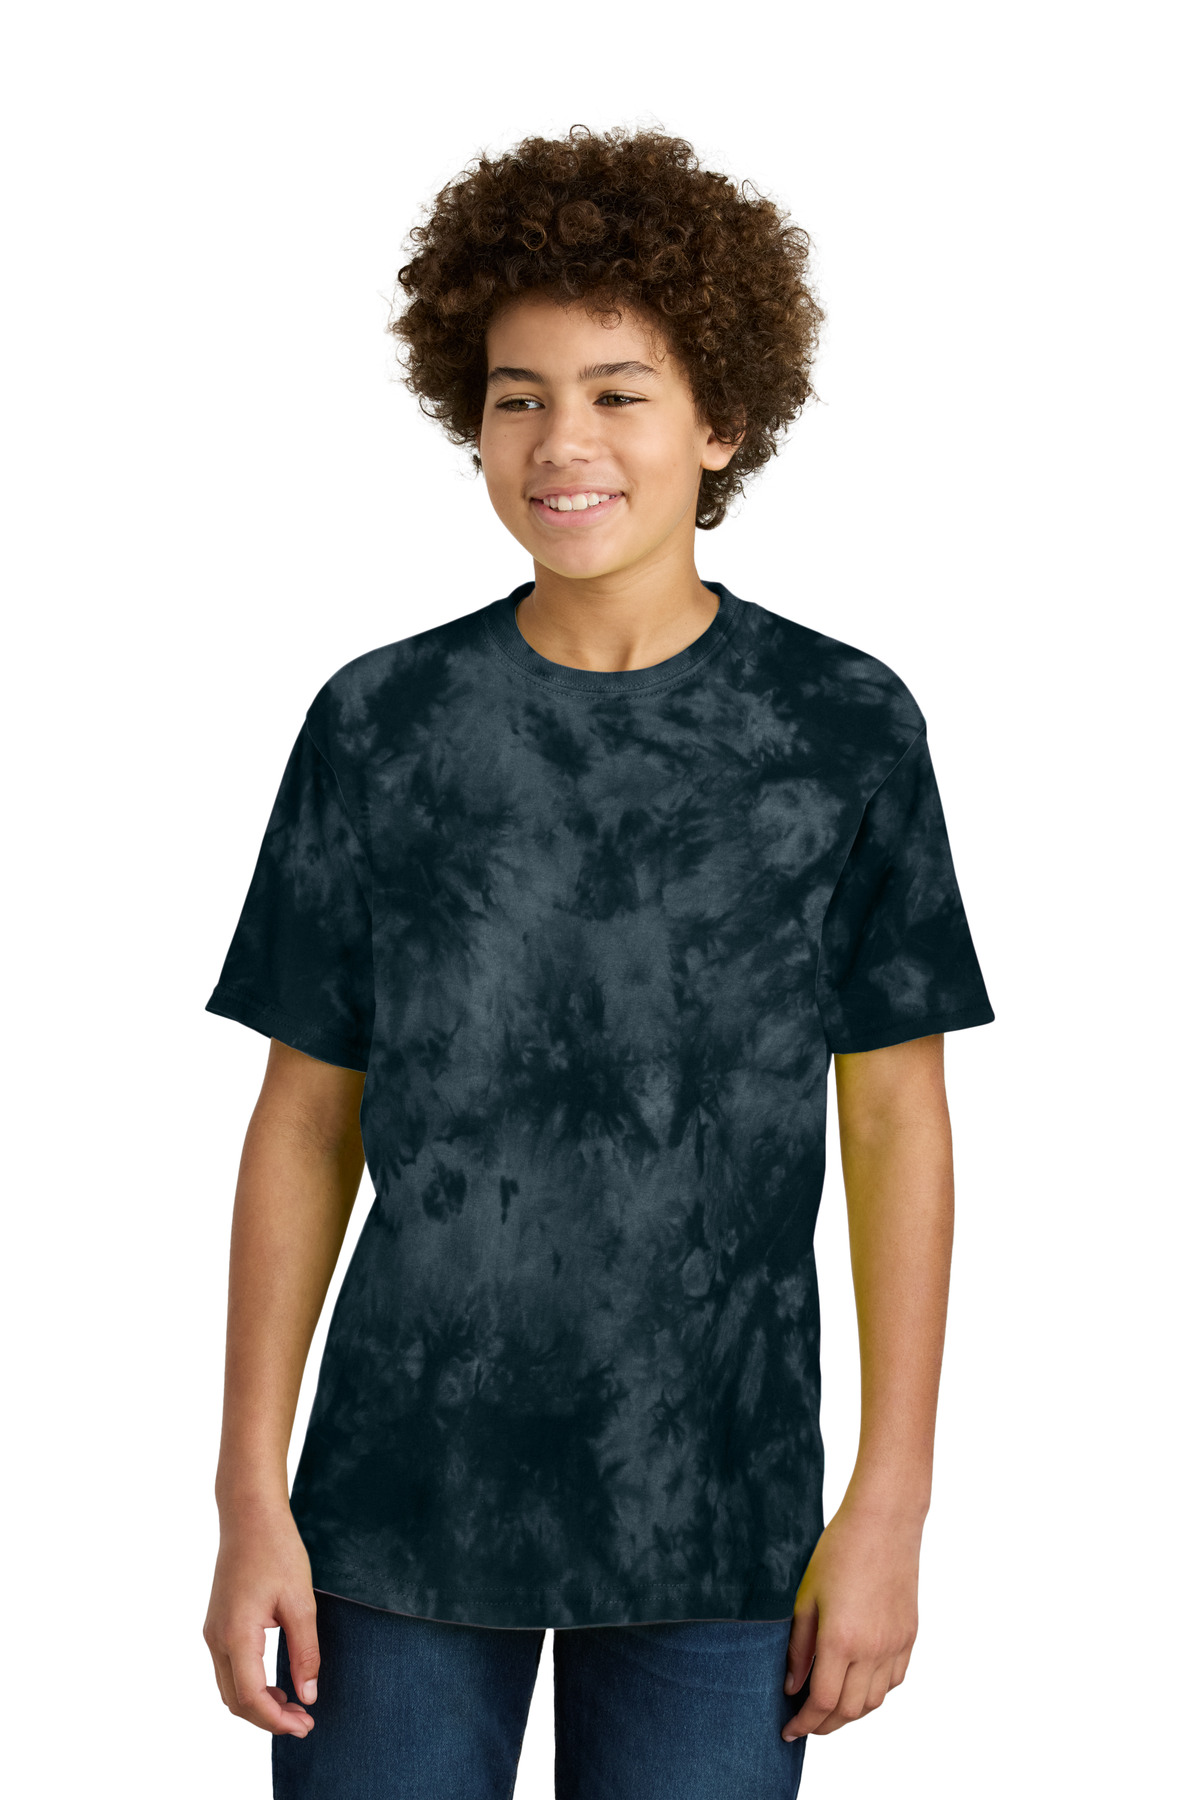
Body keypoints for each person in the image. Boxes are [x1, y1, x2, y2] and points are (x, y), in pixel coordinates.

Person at [202, 124, 995, 1800]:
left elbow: (896, 1126)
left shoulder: (842, 728)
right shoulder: (382, 725)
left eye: (619, 393)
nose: (562, 442)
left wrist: (892, 1502)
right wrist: (247, 1493)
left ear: (723, 423)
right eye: (518, 397)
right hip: (398, 1506)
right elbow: (304, 1119)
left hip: (721, 1512)